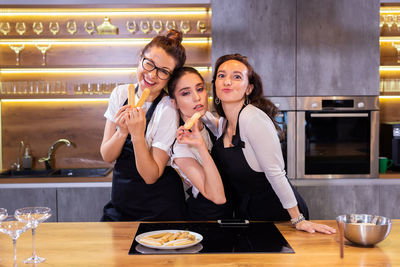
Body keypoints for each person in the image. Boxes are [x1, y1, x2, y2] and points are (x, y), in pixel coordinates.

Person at [211, 53, 336, 234]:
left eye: (236, 77)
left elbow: (276, 173)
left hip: (280, 215)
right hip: (249, 213)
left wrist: (298, 219)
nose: (227, 82)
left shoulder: (252, 118)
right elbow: (205, 120)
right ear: (215, 83)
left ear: (249, 88)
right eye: (221, 75)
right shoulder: (223, 122)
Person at [100, 29, 187, 221]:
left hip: (159, 210)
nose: (152, 75)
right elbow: (107, 155)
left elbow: (151, 176)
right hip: (121, 205)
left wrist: (138, 135)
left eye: (163, 71)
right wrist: (122, 132)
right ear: (140, 58)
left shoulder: (168, 109)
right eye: (149, 64)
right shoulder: (120, 94)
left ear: (170, 77)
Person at [167, 67, 232, 220]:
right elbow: (218, 197)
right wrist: (201, 146)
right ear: (174, 103)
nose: (197, 97)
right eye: (185, 93)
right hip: (206, 219)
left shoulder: (207, 119)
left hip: (232, 213)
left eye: (200, 89)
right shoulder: (181, 148)